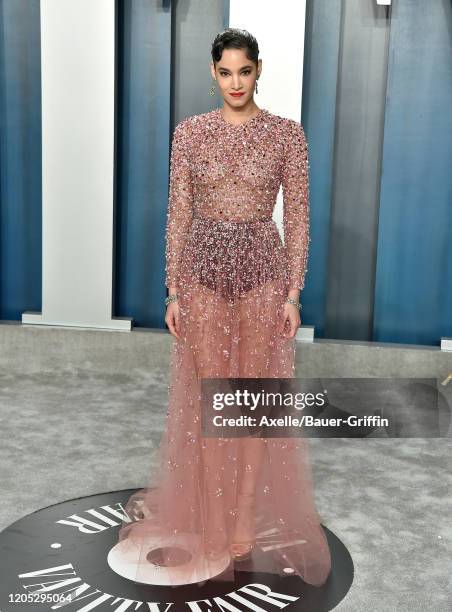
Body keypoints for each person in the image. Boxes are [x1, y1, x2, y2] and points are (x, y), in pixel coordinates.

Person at [118, 27, 331, 588]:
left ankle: (239, 520)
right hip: (202, 275)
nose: (235, 82)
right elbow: (178, 214)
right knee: (213, 399)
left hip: (264, 272)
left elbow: (301, 217)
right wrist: (172, 290)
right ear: (213, 74)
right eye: (225, 72)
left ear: (258, 70)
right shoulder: (190, 134)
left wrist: (292, 293)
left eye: (245, 70)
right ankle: (212, 516)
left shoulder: (286, 134)